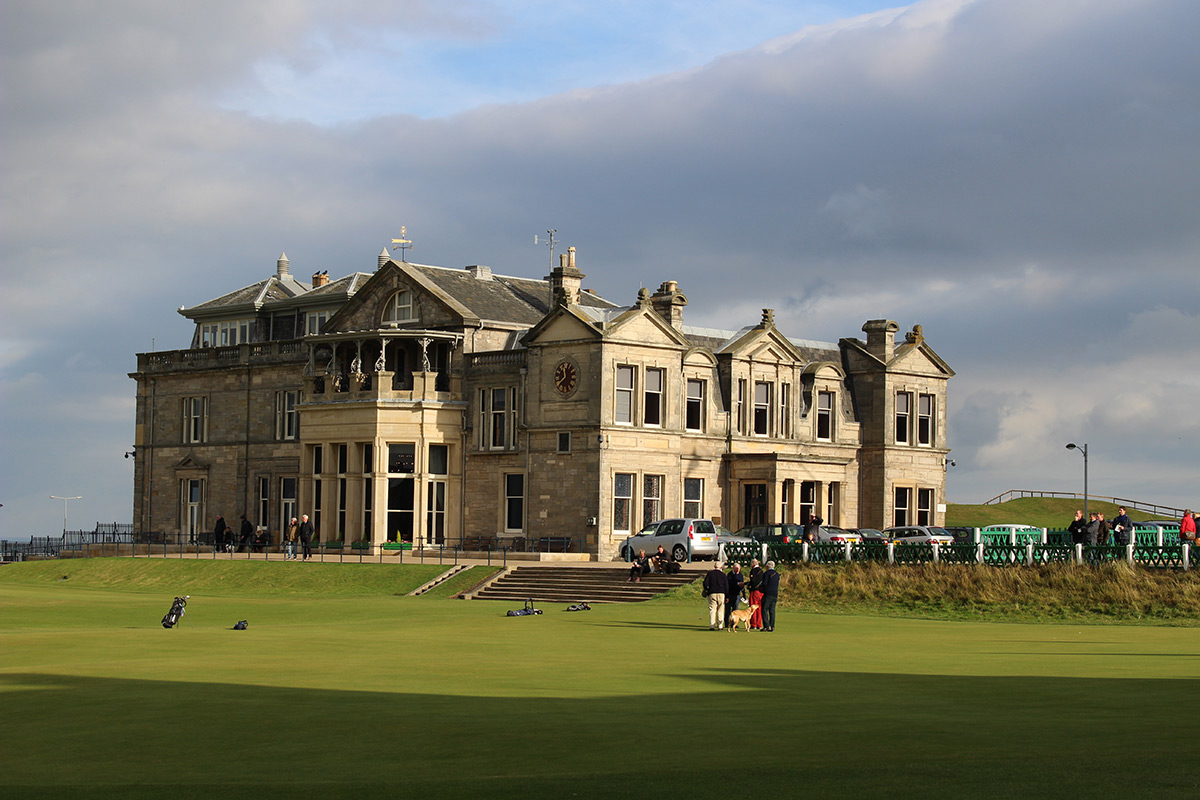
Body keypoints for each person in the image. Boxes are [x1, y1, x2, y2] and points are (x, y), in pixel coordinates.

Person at [702, 561, 728, 630]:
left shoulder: (710, 574)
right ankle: (720, 626)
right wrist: (727, 595)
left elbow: (705, 583)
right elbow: (726, 586)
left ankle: (712, 625)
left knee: (712, 610)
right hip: (721, 594)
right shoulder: (723, 575)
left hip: (712, 593)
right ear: (721, 567)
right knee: (721, 609)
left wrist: (707, 589)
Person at [760, 560, 781, 632]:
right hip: (775, 594)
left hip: (768, 593)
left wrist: (762, 589)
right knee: (772, 610)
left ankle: (766, 626)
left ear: (767, 566)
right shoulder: (777, 574)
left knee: (764, 609)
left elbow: (765, 583)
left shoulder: (767, 573)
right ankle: (772, 626)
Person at [724, 562, 745, 629]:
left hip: (737, 594)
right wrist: (737, 583)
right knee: (728, 609)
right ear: (733, 568)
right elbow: (728, 584)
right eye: (736, 569)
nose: (738, 570)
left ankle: (734, 623)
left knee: (735, 610)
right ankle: (727, 623)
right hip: (730, 594)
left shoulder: (740, 575)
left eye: (739, 569)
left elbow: (742, 586)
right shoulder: (729, 575)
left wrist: (744, 595)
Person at [747, 558, 765, 630]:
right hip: (761, 592)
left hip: (755, 591)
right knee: (759, 608)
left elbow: (753, 581)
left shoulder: (753, 571)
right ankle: (759, 624)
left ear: (753, 564)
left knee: (753, 607)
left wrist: (748, 585)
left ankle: (753, 624)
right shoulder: (761, 571)